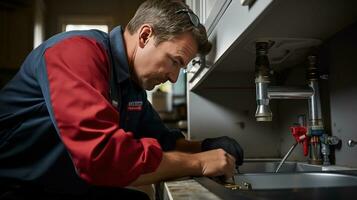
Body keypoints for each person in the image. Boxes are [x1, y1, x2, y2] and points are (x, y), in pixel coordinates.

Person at [0, 0, 243, 199]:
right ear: (145, 35)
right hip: (15, 187)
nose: (173, 76)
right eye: (175, 61)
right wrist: (199, 163)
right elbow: (102, 158)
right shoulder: (77, 53)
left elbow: (162, 140)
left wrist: (205, 147)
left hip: (63, 185)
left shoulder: (131, 84)